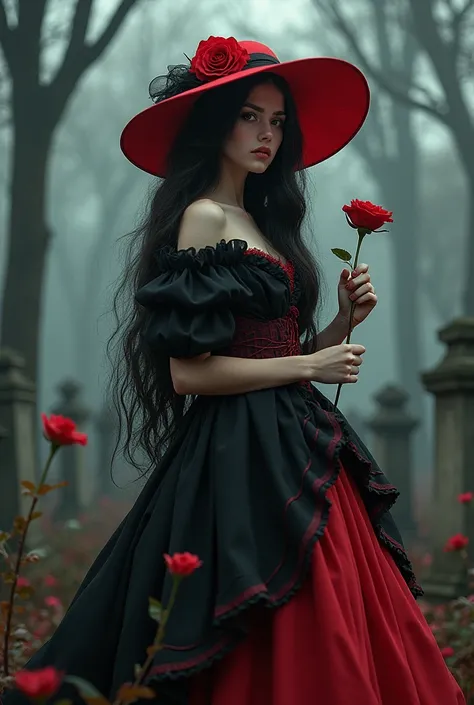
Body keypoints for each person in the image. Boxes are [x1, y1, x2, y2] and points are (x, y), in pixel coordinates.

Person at [9, 36, 464, 705]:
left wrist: (340, 324)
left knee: (336, 603)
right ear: (215, 120)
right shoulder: (202, 217)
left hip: (294, 441)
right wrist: (312, 359)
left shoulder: (260, 220)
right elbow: (190, 375)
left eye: (278, 121)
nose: (267, 134)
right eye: (250, 115)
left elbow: (272, 348)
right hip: (236, 453)